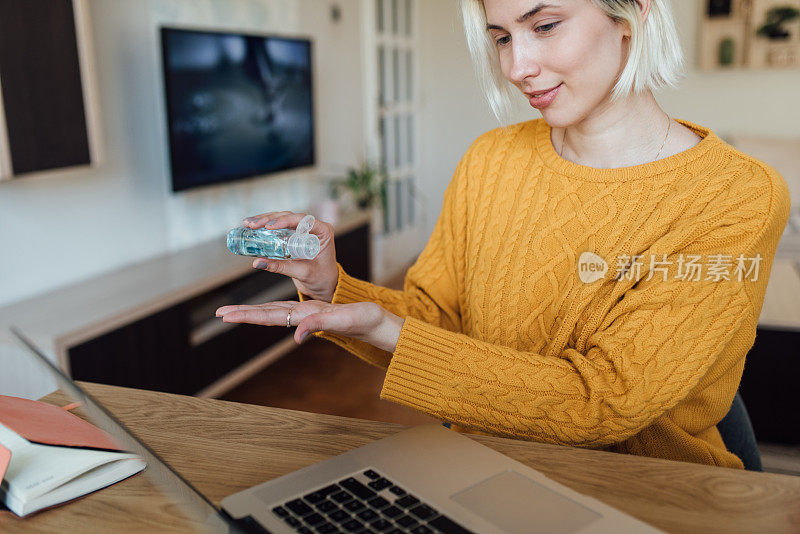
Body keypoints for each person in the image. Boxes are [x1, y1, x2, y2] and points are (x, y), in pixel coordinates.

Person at [216, 0, 790, 469]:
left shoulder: (735, 196)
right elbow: (432, 317)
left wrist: (393, 332)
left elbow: (602, 401)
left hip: (648, 496)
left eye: (544, 26)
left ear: (631, 16)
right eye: (502, 38)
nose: (518, 67)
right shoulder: (490, 159)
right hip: (482, 469)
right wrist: (332, 289)